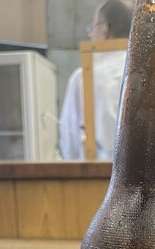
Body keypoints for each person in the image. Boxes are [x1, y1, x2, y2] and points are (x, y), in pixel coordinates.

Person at [59, 0, 133, 160]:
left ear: (104, 29)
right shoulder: (147, 72)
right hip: (140, 172)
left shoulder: (82, 78)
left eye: (93, 27)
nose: (91, 34)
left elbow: (69, 146)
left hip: (93, 172)